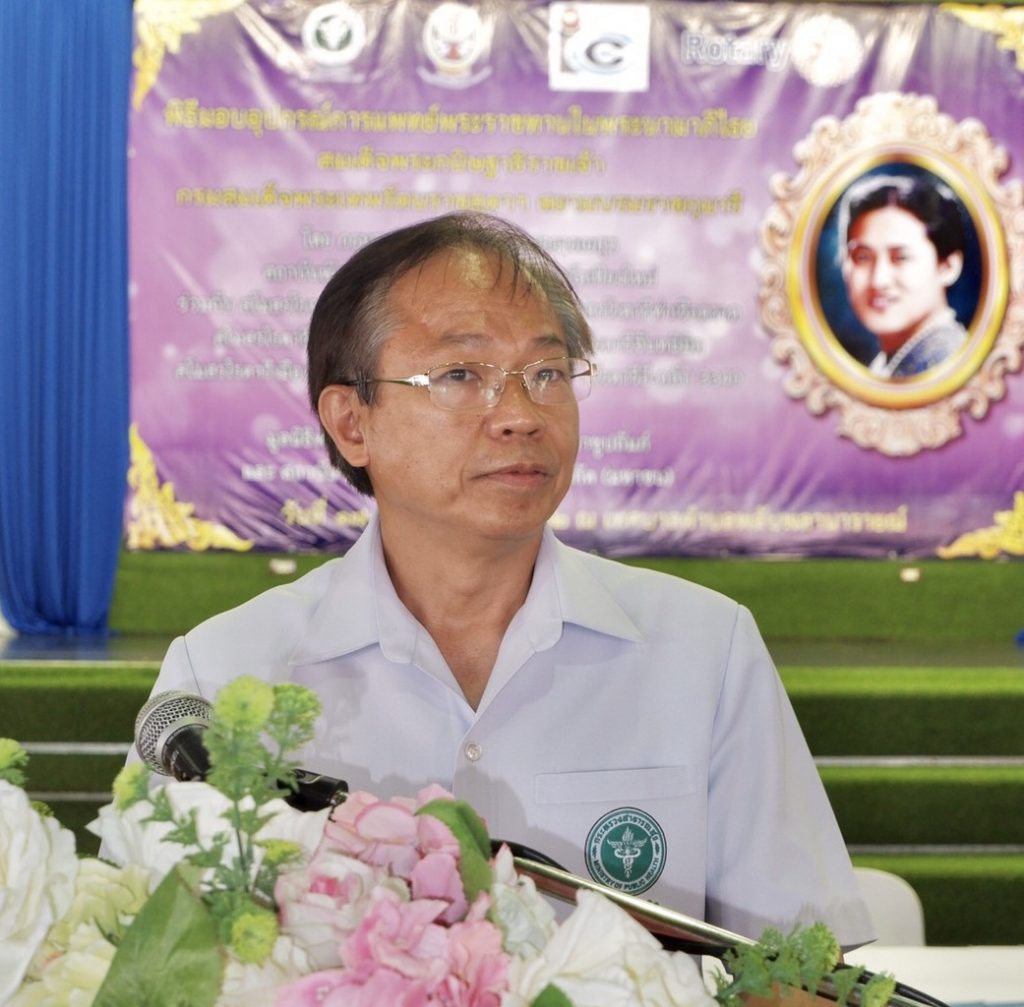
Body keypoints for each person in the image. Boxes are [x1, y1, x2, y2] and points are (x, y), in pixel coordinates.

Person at [141, 212, 873, 950]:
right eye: (461, 375)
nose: (520, 416)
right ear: (352, 422)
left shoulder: (705, 651)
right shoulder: (225, 674)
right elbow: (146, 960)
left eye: (547, 374)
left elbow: (805, 972)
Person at [838, 173, 969, 377]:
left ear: (947, 267)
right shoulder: (888, 366)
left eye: (901, 258)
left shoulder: (949, 366)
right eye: (863, 257)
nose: (879, 280)